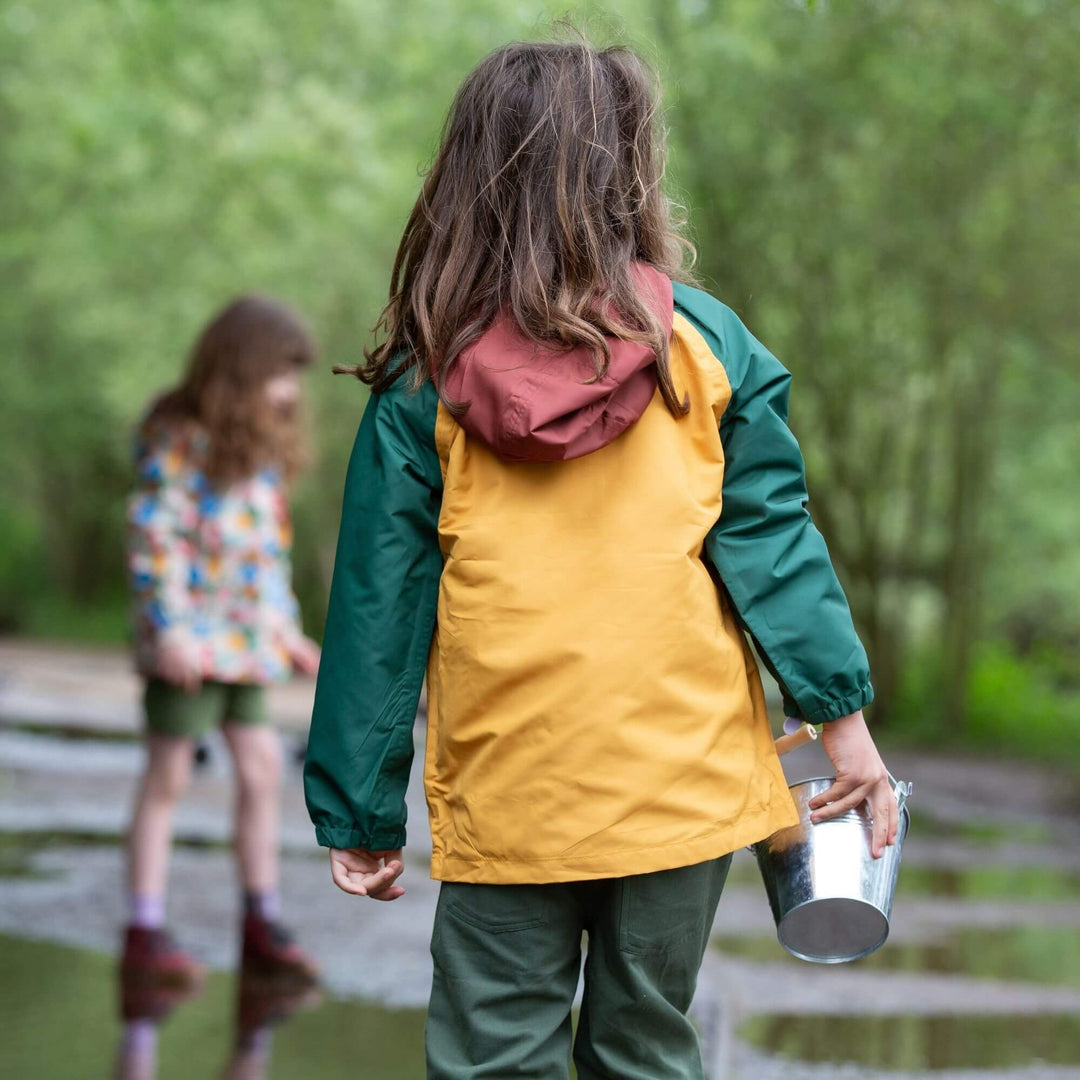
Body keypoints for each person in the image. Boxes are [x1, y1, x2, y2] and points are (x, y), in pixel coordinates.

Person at [304, 38, 898, 1080]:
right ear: (628, 170)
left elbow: (377, 604)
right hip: (681, 781)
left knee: (496, 1055)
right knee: (643, 1049)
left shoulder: (424, 374)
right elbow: (772, 545)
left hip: (511, 783)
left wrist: (359, 803)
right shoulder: (708, 348)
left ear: (465, 180)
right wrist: (845, 732)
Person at [122, 296, 321, 1001]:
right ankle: (143, 931)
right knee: (168, 776)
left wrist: (286, 630)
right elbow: (156, 533)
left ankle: (259, 923)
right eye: (278, 372)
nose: (289, 390)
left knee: (263, 768)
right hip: (189, 646)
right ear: (238, 367)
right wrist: (168, 626)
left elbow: (268, 555)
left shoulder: (260, 450)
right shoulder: (178, 436)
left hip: (243, 644)